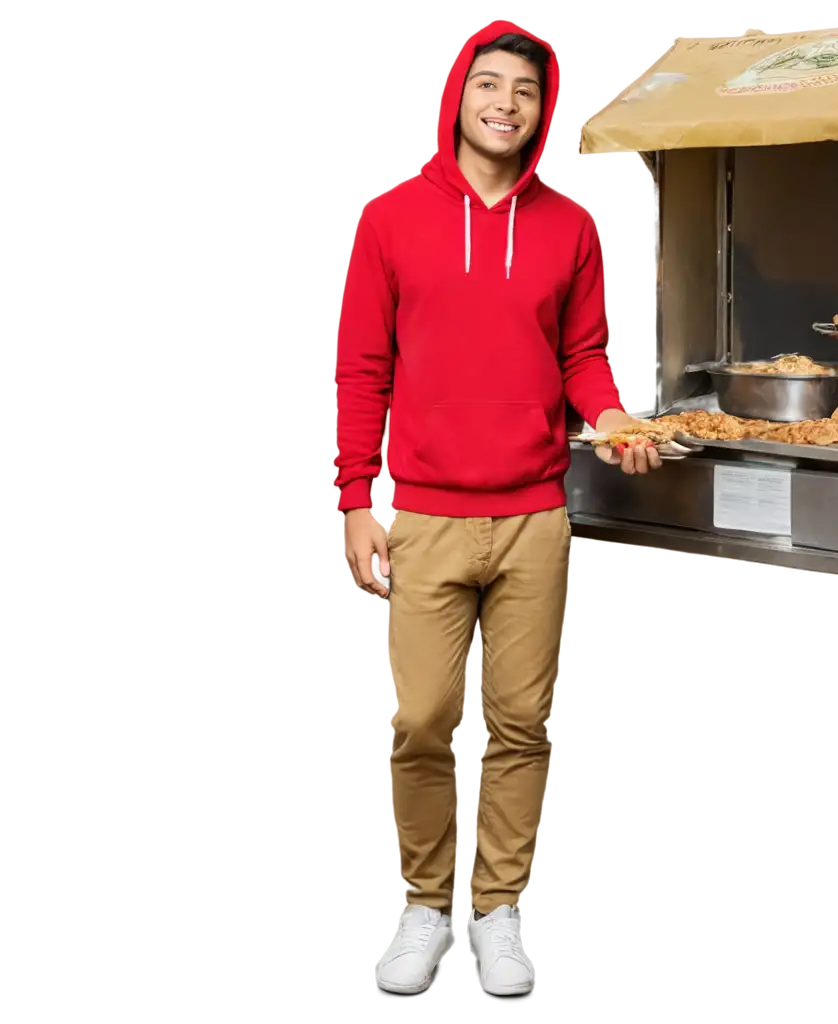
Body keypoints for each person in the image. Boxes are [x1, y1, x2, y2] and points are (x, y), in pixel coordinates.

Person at [328, 20, 661, 999]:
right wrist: (355, 497)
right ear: (459, 96)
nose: (505, 102)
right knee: (422, 719)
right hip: (423, 512)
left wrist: (609, 417)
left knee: (521, 722)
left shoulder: (567, 229)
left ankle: (499, 908)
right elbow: (361, 366)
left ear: (538, 111)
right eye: (489, 83)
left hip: (534, 515)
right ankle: (427, 906)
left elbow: (583, 357)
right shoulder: (389, 218)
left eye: (522, 89)